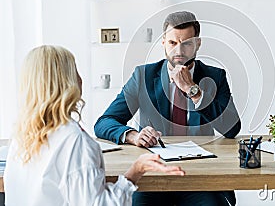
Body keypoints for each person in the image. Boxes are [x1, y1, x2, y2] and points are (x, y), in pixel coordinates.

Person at [4, 45, 184, 206]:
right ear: (68, 83)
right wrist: (136, 170)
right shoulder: (74, 142)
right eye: (75, 71)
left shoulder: (21, 137)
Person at [94, 11, 241, 205]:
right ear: (163, 42)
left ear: (197, 43)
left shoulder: (215, 76)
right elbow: (104, 123)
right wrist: (133, 135)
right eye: (172, 43)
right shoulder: (143, 76)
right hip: (153, 177)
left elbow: (232, 129)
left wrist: (193, 90)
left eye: (187, 43)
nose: (179, 51)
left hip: (200, 177)